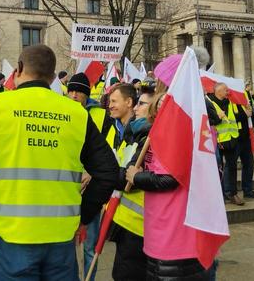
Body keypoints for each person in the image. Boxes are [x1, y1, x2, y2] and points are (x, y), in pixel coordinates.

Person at [0, 45, 118, 281]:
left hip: (9, 236)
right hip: (60, 239)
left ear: (18, 70)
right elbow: (108, 171)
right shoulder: (76, 113)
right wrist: (83, 216)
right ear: (51, 76)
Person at [126, 91, 209, 281]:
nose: (164, 108)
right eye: (160, 104)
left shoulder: (180, 135)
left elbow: (170, 178)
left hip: (176, 238)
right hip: (157, 233)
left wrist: (137, 178)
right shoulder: (156, 135)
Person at [66, 72, 114, 281]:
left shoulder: (102, 116)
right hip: (68, 188)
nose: (74, 95)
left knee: (89, 245)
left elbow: (106, 152)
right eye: (71, 90)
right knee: (66, 247)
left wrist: (91, 174)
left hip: (92, 187)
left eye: (79, 91)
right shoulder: (62, 114)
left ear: (87, 94)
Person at [109, 84, 154, 281]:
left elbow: (126, 177)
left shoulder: (149, 138)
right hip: (125, 222)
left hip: (139, 227)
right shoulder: (134, 132)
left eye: (142, 104)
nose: (136, 107)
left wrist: (102, 173)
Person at [205, 83, 244, 205]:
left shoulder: (229, 102)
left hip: (232, 138)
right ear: (219, 91)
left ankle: (232, 193)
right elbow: (206, 121)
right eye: (226, 90)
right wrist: (218, 117)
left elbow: (233, 118)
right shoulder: (208, 102)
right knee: (218, 168)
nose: (228, 92)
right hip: (216, 140)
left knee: (232, 166)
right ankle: (221, 194)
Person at [108, 83, 137, 150]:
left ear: (129, 102)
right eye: (110, 102)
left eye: (114, 101)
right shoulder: (112, 127)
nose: (110, 106)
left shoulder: (138, 131)